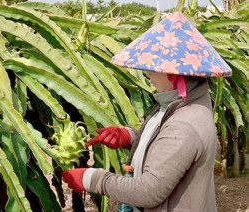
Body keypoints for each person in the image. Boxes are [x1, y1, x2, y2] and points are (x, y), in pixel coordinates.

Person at [62, 12, 232, 211]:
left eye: (153, 66)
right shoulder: (180, 104)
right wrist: (129, 137)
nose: (147, 72)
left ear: (174, 73)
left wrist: (91, 178)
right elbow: (165, 148)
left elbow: (148, 191)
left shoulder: (184, 125)